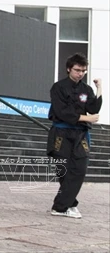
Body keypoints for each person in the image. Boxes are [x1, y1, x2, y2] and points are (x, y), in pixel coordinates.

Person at [47, 53, 102, 219]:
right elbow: (61, 112)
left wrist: (100, 88)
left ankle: (63, 205)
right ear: (69, 69)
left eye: (84, 71)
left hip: (80, 134)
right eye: (77, 70)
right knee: (63, 170)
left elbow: (93, 108)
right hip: (61, 133)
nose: (80, 73)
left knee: (79, 169)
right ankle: (66, 205)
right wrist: (85, 118)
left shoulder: (86, 89)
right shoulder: (58, 87)